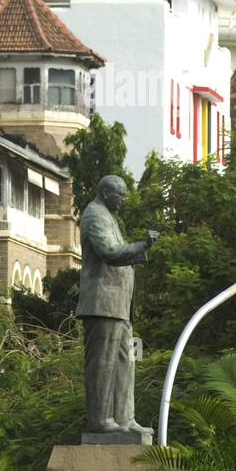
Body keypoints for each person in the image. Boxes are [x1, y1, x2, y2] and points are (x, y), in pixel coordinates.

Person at [75, 174, 159, 433]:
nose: (123, 200)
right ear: (105, 193)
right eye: (120, 195)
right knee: (103, 363)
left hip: (118, 307)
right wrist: (141, 245)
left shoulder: (108, 216)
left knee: (126, 361)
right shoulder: (94, 215)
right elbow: (109, 252)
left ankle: (125, 418)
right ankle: (100, 420)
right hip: (102, 304)